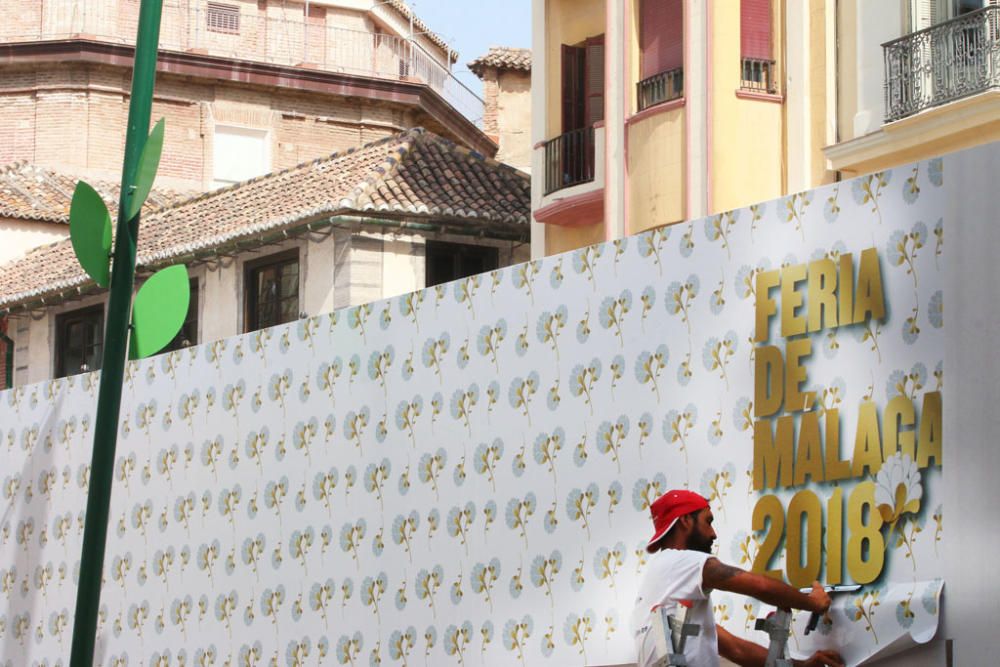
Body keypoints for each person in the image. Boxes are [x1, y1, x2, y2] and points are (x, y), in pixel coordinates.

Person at [631, 489, 845, 667]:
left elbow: (736, 649)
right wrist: (812, 602)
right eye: (708, 521)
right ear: (685, 521)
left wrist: (801, 665)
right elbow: (760, 587)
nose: (713, 533)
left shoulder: (665, 588)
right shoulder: (681, 562)